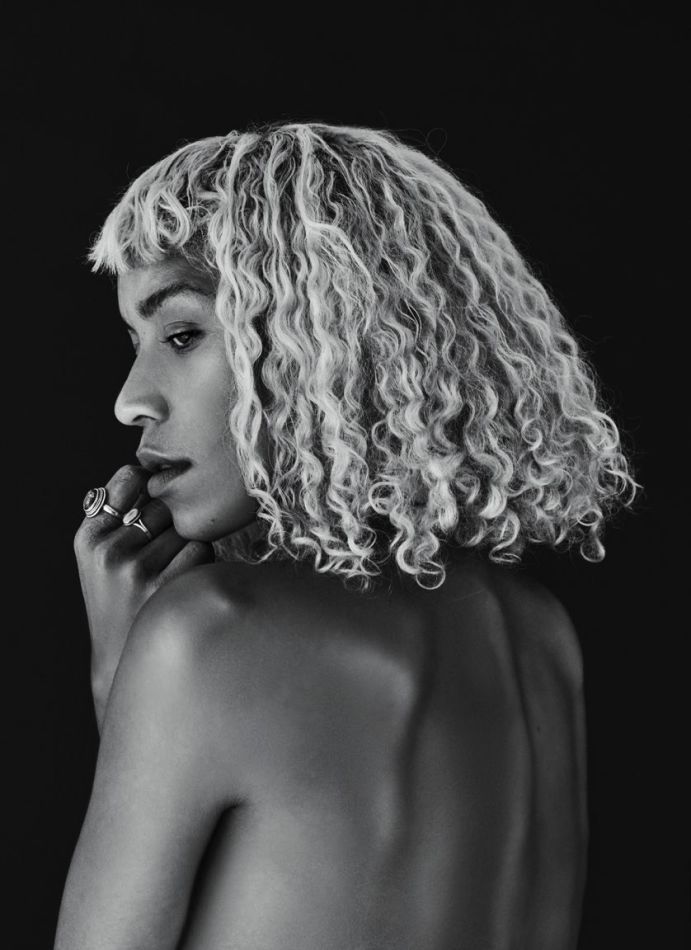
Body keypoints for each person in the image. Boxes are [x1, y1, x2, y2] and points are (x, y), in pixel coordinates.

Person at [55, 121, 637, 950]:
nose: (131, 399)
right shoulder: (539, 631)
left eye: (182, 335)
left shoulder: (210, 631)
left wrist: (118, 670)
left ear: (322, 341)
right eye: (135, 343)